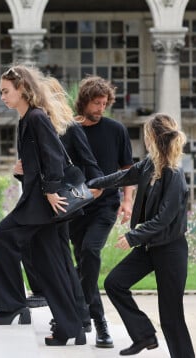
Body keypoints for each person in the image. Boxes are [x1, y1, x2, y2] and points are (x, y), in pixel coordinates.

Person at [0, 65, 86, 346]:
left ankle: (11, 306)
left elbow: (54, 155)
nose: (2, 96)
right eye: (1, 91)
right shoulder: (26, 120)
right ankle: (73, 328)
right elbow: (39, 160)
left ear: (22, 89)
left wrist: (52, 190)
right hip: (38, 203)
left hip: (40, 205)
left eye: (6, 91)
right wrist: (22, 169)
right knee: (50, 266)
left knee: (1, 238)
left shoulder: (36, 117)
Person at [88, 113, 195, 357]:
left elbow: (164, 219)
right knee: (114, 283)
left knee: (171, 317)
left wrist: (134, 237)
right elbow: (123, 176)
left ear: (155, 138)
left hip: (170, 249)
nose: (145, 141)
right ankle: (144, 335)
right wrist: (93, 183)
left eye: (147, 136)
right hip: (150, 247)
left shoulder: (174, 174)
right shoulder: (149, 164)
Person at [22, 76, 104, 335]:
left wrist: (91, 191)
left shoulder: (69, 127)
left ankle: (78, 316)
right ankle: (73, 314)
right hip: (44, 205)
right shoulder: (40, 125)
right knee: (53, 258)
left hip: (61, 205)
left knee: (61, 261)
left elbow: (91, 166)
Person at [68, 75, 135, 348]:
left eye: (104, 103)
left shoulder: (116, 130)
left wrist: (127, 201)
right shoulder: (68, 129)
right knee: (82, 261)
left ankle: (98, 321)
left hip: (105, 206)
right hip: (74, 207)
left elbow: (128, 170)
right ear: (84, 101)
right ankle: (82, 313)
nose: (101, 108)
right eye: (96, 103)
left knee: (91, 252)